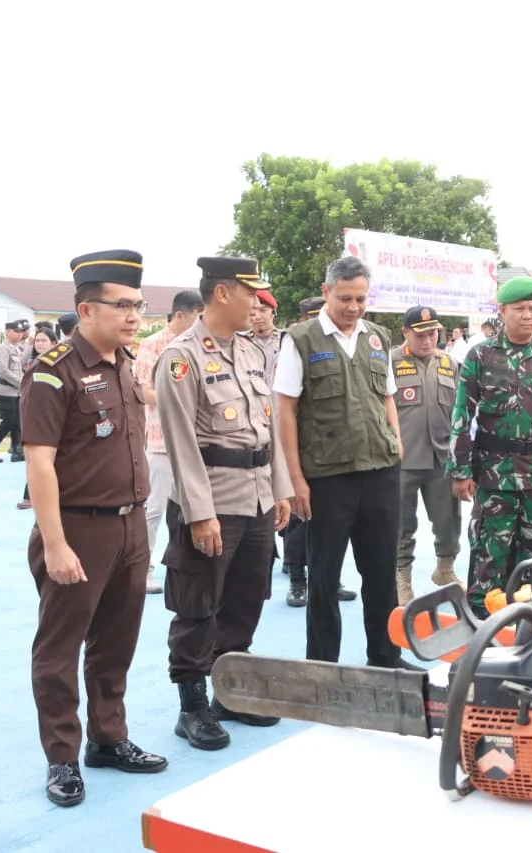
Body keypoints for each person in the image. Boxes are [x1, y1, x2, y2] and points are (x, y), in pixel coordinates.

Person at [21, 249, 168, 808]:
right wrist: (55, 544)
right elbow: (39, 462)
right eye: (122, 305)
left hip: (130, 528)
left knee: (115, 643)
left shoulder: (124, 363)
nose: (134, 316)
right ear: (86, 309)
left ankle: (108, 738)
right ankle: (62, 756)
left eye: (139, 305)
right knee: (59, 650)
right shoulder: (53, 370)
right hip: (78, 530)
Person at [156, 256, 293, 750]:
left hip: (255, 497)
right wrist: (200, 513)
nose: (256, 303)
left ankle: (228, 694)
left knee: (245, 598)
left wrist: (280, 488)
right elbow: (180, 442)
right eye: (249, 293)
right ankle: (191, 707)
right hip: (211, 502)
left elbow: (267, 426)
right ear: (221, 293)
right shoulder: (182, 356)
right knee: (198, 605)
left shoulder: (252, 352)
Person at [274, 256, 406, 666]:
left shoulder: (377, 337)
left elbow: (387, 397)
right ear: (327, 291)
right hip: (328, 478)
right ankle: (322, 665)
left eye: (361, 299)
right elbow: (285, 411)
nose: (353, 307)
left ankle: (385, 658)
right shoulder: (301, 339)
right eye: (345, 298)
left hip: (380, 472)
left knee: (381, 574)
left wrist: (396, 442)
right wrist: (295, 480)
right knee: (324, 578)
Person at [448, 276, 532, 616]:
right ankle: (482, 619)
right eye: (520, 309)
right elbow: (461, 414)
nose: (528, 316)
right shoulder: (481, 355)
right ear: (503, 311)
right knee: (490, 550)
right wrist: (461, 470)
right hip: (495, 474)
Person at [278, 296, 356, 607]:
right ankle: (297, 580)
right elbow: (285, 407)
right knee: (300, 521)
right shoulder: (294, 346)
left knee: (336, 523)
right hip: (303, 448)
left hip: (335, 451)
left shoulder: (340, 346)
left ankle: (330, 579)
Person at [133, 291, 205, 594]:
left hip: (197, 442)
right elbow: (143, 391)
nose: (201, 323)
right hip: (162, 440)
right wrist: (179, 399)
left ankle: (188, 567)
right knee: (153, 509)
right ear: (180, 315)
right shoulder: (153, 344)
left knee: (194, 509)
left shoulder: (201, 344)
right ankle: (143, 569)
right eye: (197, 317)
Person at [391, 305, 462, 604]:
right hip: (403, 459)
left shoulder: (449, 363)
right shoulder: (390, 362)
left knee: (448, 520)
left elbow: (460, 411)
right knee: (400, 523)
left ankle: (445, 568)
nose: (427, 340)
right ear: (405, 333)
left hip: (441, 458)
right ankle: (401, 577)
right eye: (420, 335)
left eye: (432, 334)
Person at [17, 327, 61, 510]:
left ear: (54, 343)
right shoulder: (33, 362)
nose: (40, 344)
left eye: (44, 340)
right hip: (35, 415)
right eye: (37, 341)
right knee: (36, 458)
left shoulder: (59, 364)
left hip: (53, 414)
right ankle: (30, 496)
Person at [0, 319, 31, 462]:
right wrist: (21, 383)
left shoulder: (16, 348)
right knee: (8, 421)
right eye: (16, 331)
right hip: (6, 391)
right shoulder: (3, 348)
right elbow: (4, 371)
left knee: (17, 422)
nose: (19, 334)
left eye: (21, 332)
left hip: (16, 392)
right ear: (8, 332)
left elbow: (20, 369)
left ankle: (17, 450)